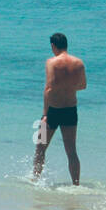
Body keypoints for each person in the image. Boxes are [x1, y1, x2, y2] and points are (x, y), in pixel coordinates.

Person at [32, 32, 86, 185]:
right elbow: (83, 86)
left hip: (52, 111)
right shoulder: (79, 63)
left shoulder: (51, 62)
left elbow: (48, 88)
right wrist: (68, 86)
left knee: (40, 148)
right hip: (71, 110)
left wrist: (44, 114)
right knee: (71, 151)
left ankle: (35, 180)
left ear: (53, 46)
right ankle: (76, 184)